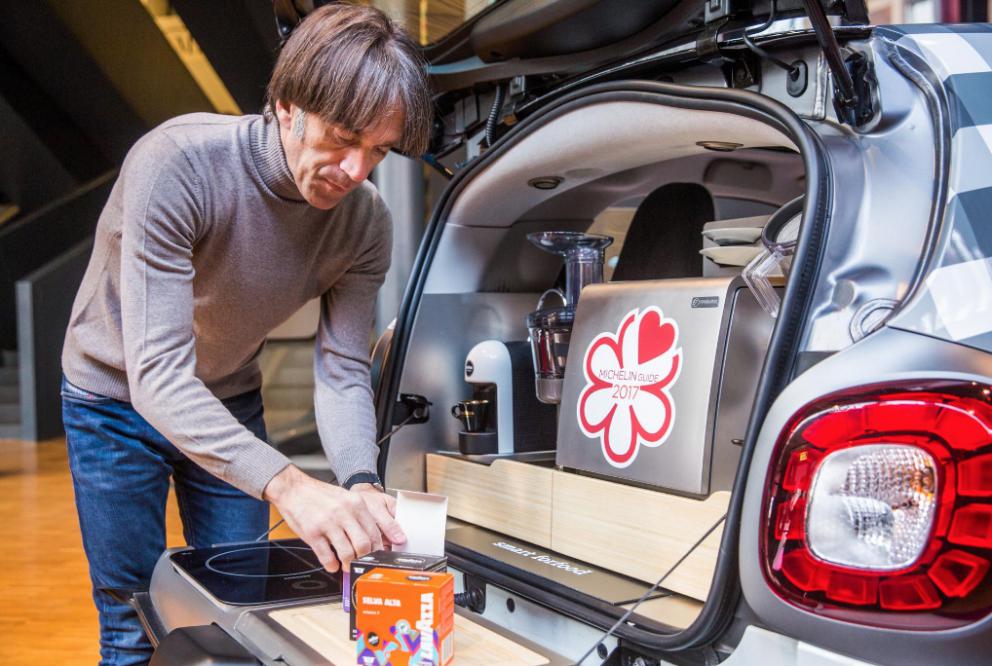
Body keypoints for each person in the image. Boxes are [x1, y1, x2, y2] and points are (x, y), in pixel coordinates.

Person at [59, 4, 432, 664]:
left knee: (248, 614)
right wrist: (290, 485)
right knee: (131, 622)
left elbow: (344, 367)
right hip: (113, 399)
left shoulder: (365, 224)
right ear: (287, 104)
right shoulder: (178, 165)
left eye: (376, 150)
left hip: (227, 397)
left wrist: (360, 479)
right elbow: (158, 378)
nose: (355, 171)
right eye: (343, 137)